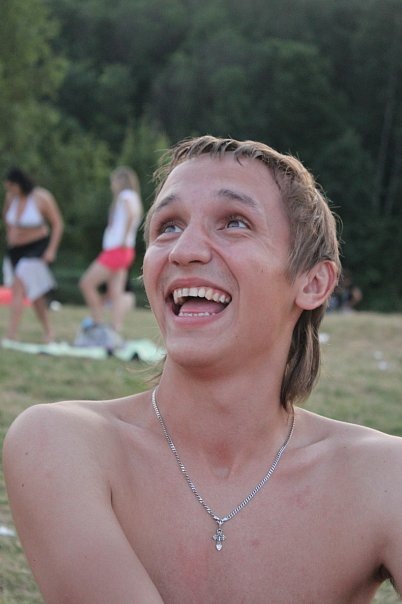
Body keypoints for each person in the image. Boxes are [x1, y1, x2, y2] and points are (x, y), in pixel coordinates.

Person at [3, 136, 402, 603]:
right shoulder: (63, 445)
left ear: (313, 282)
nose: (184, 249)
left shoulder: (382, 478)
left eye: (235, 223)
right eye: (168, 226)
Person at [78, 166, 143, 345]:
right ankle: (114, 330)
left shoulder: (125, 196)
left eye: (113, 181)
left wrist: (124, 237)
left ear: (120, 181)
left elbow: (131, 214)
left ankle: (98, 322)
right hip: (124, 251)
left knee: (87, 283)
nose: (112, 185)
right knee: (116, 293)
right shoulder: (133, 196)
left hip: (116, 250)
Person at [2, 168, 64, 343]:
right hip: (16, 250)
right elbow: (7, 219)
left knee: (19, 287)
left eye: (12, 186)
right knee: (35, 295)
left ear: (19, 184)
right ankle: (48, 331)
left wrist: (51, 250)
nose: (10, 190)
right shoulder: (11, 199)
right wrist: (11, 235)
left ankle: (11, 334)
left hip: (36, 248)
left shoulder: (41, 198)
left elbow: (57, 224)